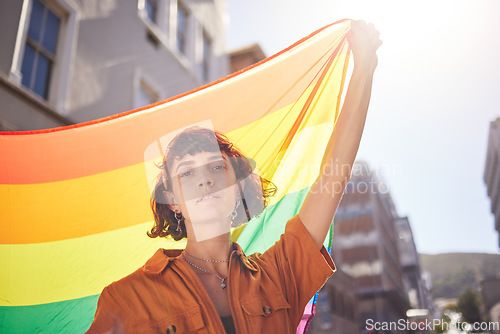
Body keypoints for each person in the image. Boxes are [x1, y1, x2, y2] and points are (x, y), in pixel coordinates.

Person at [86, 20, 381, 334]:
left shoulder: (279, 274)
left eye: (217, 167)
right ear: (173, 201)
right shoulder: (127, 299)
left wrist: (364, 65)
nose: (205, 180)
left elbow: (332, 177)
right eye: (187, 173)